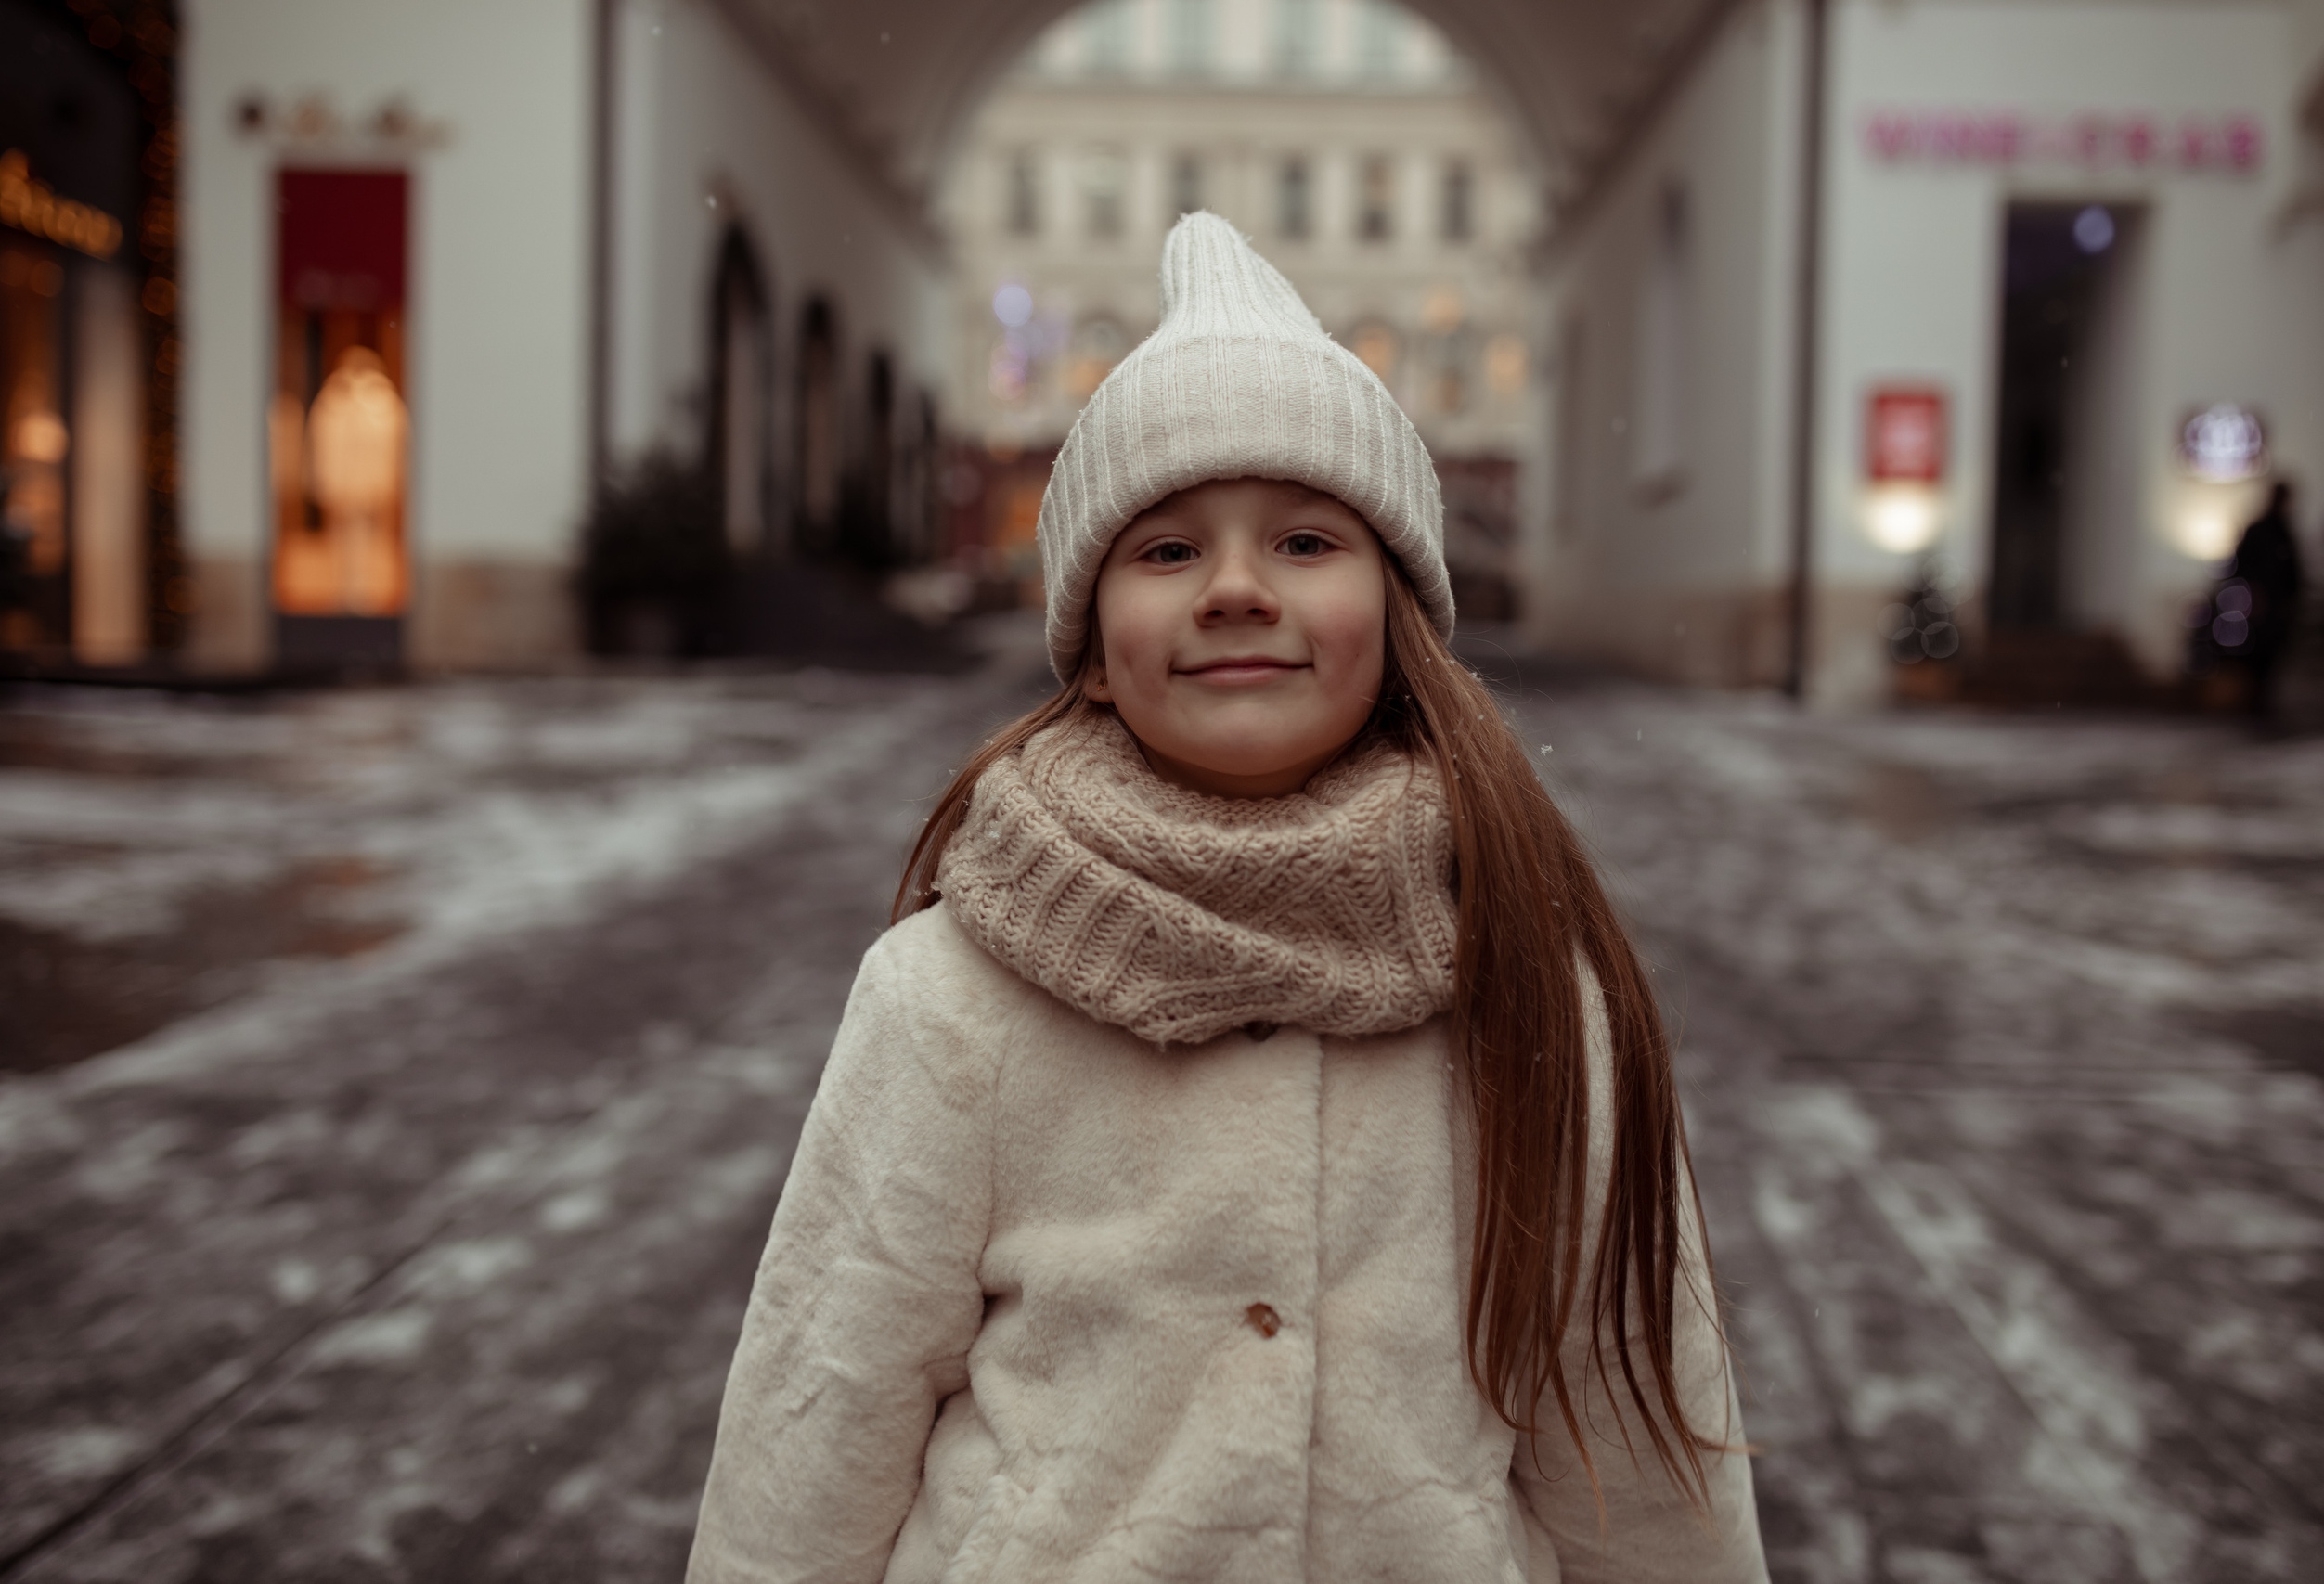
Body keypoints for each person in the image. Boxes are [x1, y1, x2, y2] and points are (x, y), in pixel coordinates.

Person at [686, 214, 1766, 1583]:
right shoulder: (948, 993)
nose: (1240, 589)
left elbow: (1628, 1425)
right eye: (1169, 549)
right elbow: (819, 1417)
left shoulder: (1533, 988)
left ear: (1403, 617)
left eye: (1308, 539)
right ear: (1089, 641)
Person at [2229, 479, 2303, 717]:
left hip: (2276, 608)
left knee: (2270, 661)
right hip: (2257, 608)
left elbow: (2293, 573)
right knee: (2255, 661)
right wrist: (2252, 595)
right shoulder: (2264, 531)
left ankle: (2259, 707)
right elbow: (2240, 569)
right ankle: (2251, 707)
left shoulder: (2283, 530)